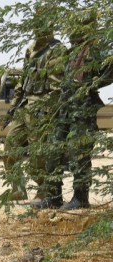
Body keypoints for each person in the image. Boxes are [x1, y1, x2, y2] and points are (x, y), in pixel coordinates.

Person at [33, 11, 112, 209]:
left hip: (83, 111)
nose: (70, 32)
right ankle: (52, 197)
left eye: (76, 26)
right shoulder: (72, 51)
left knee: (79, 154)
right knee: (53, 150)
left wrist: (92, 85)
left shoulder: (96, 49)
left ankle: (81, 198)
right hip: (65, 110)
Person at [3, 26, 66, 201]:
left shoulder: (57, 49)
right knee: (10, 145)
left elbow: (57, 86)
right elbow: (23, 80)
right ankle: (18, 188)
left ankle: (44, 190)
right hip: (25, 104)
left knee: (37, 151)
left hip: (42, 105)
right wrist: (13, 106)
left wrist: (47, 110)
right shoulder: (31, 49)